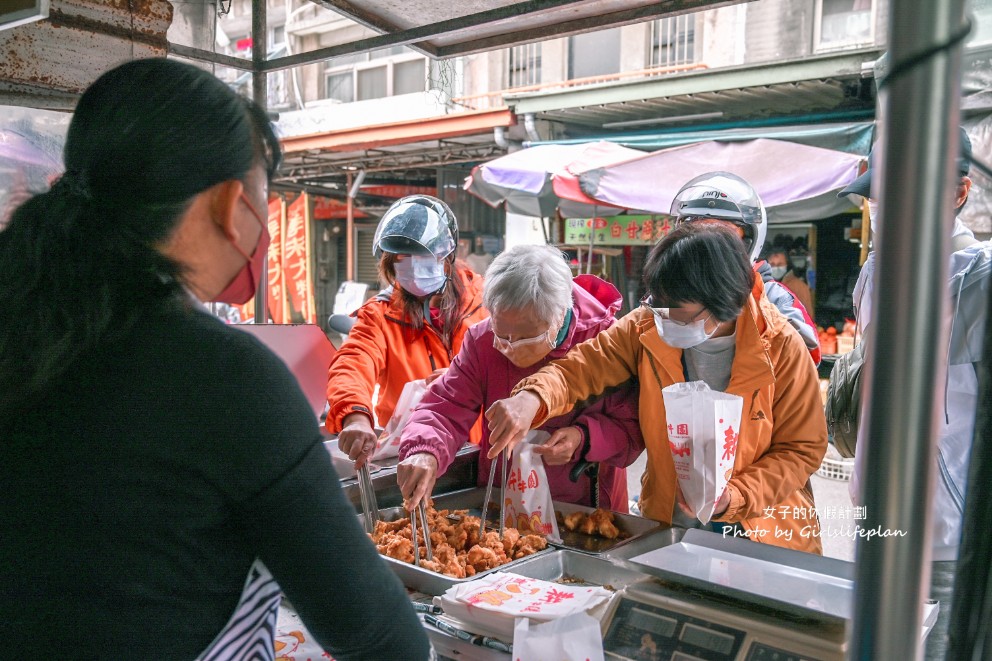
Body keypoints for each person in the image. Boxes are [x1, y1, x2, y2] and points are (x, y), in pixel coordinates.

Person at [0, 59, 429, 660]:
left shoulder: (21, 322)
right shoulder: (225, 378)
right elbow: (385, 638)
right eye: (263, 194)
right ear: (232, 204)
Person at [485, 223, 828, 554]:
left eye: (679, 312)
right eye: (659, 304)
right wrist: (534, 396)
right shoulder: (647, 325)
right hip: (669, 526)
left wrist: (735, 496)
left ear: (724, 303)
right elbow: (583, 367)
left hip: (762, 532)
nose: (664, 318)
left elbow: (802, 448)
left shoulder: (781, 347)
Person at [839, 127, 981, 660]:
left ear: (959, 194)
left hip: (947, 536)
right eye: (880, 197)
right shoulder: (875, 272)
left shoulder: (979, 280)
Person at [395, 244, 644, 512]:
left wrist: (582, 438)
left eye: (525, 338)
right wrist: (424, 449)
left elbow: (632, 428)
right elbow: (445, 407)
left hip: (584, 510)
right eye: (502, 334)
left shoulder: (604, 341)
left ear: (559, 316)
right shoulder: (482, 340)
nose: (509, 347)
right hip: (504, 505)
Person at [327, 195, 488, 465]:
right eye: (403, 258)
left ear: (447, 256)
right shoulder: (379, 314)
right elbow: (352, 362)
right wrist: (355, 416)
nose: (413, 266)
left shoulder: (488, 302)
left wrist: (464, 378)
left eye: (423, 256)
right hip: (412, 457)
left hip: (483, 456)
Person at [670, 172, 821, 365]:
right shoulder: (667, 293)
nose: (709, 244)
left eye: (723, 232)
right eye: (697, 231)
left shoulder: (773, 297)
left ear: (748, 241)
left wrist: (759, 313)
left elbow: (807, 360)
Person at [766, 247, 814, 317]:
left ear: (787, 264)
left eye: (780, 264)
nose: (776, 268)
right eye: (772, 265)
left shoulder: (800, 287)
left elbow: (808, 317)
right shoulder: (763, 286)